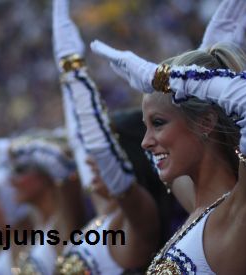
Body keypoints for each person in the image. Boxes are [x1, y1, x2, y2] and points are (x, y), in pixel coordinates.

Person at [90, 27, 246, 275]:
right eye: (145, 127)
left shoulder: (240, 214)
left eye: (157, 123)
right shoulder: (201, 209)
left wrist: (161, 77)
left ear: (205, 123)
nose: (145, 142)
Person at [52, 0, 164, 273]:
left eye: (102, 158)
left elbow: (101, 151)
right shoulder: (108, 213)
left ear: (127, 159)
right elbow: (81, 141)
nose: (90, 163)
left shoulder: (139, 221)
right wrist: (66, 69)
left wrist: (74, 69)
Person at [8, 133, 87, 275]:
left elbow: (70, 189)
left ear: (45, 174)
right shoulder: (37, 228)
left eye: (20, 170)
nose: (12, 181)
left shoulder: (62, 225)